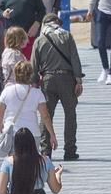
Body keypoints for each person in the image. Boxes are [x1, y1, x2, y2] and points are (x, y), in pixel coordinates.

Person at [31, 14, 85, 162]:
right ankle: (70, 150)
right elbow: (75, 59)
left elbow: (33, 65)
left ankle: (45, 151)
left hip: (48, 80)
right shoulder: (67, 36)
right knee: (70, 115)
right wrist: (78, 80)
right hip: (67, 79)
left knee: (46, 116)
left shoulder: (40, 40)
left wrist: (34, 84)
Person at [0, 61, 56, 164]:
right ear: (30, 74)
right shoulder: (37, 92)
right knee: (31, 164)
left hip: (13, 132)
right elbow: (45, 116)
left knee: (13, 163)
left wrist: (1, 127)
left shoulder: (7, 91)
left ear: (15, 73)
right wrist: (52, 134)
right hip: (32, 132)